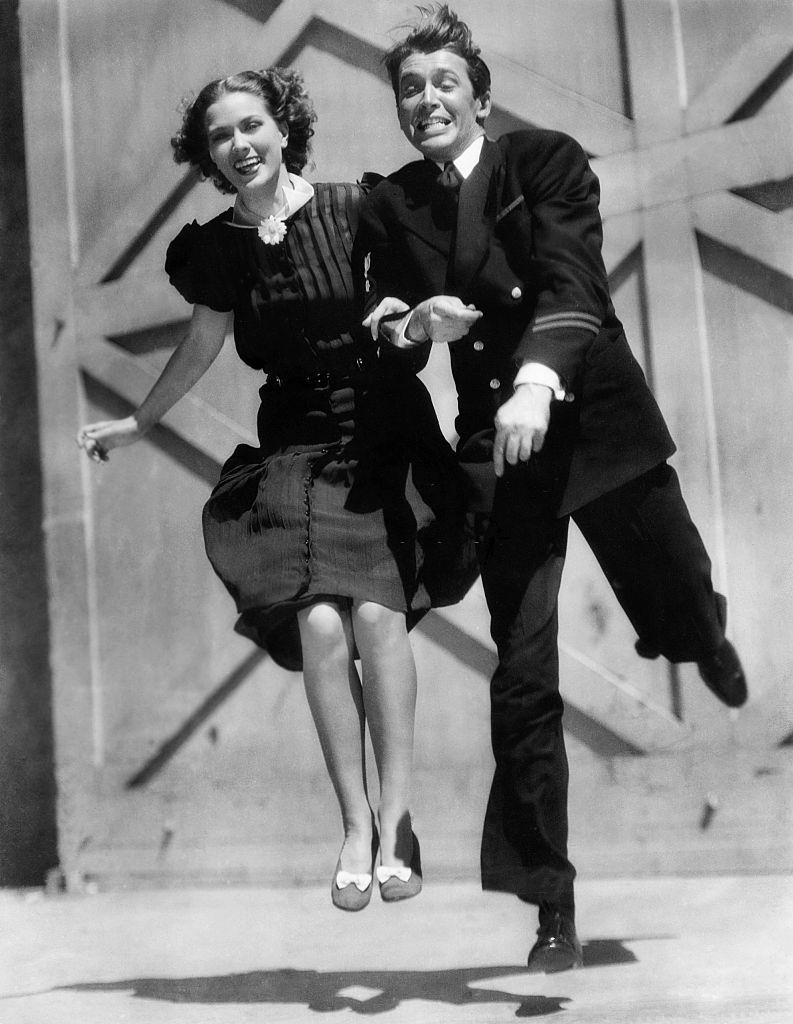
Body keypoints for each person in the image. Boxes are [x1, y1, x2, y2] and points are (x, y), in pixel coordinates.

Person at [356, 4, 748, 970]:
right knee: (523, 675)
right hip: (502, 453)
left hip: (595, 422)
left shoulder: (546, 162)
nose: (426, 99)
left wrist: (537, 377)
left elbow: (575, 280)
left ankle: (697, 635)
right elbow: (373, 314)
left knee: (677, 584)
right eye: (410, 88)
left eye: (444, 82)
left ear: (478, 96)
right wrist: (413, 329)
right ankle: (550, 907)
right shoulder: (395, 202)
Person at [77, 67, 476, 912]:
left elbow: (407, 310)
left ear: (283, 127)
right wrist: (139, 422)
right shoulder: (215, 250)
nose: (240, 145)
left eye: (252, 125)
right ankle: (355, 825)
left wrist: (419, 325)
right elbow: (201, 344)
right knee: (319, 623)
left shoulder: (355, 208)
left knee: (377, 615)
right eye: (221, 136)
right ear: (209, 155)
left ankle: (399, 817)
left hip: (381, 433)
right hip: (295, 441)